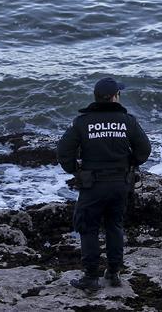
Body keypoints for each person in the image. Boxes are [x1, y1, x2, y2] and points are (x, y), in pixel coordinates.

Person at [57, 77, 151, 292]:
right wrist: (130, 164)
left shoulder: (82, 122)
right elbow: (144, 150)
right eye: (119, 93)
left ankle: (91, 278)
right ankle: (114, 273)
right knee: (114, 226)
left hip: (93, 186)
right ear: (114, 97)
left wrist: (76, 171)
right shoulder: (128, 121)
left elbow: (63, 152)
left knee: (88, 229)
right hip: (120, 184)